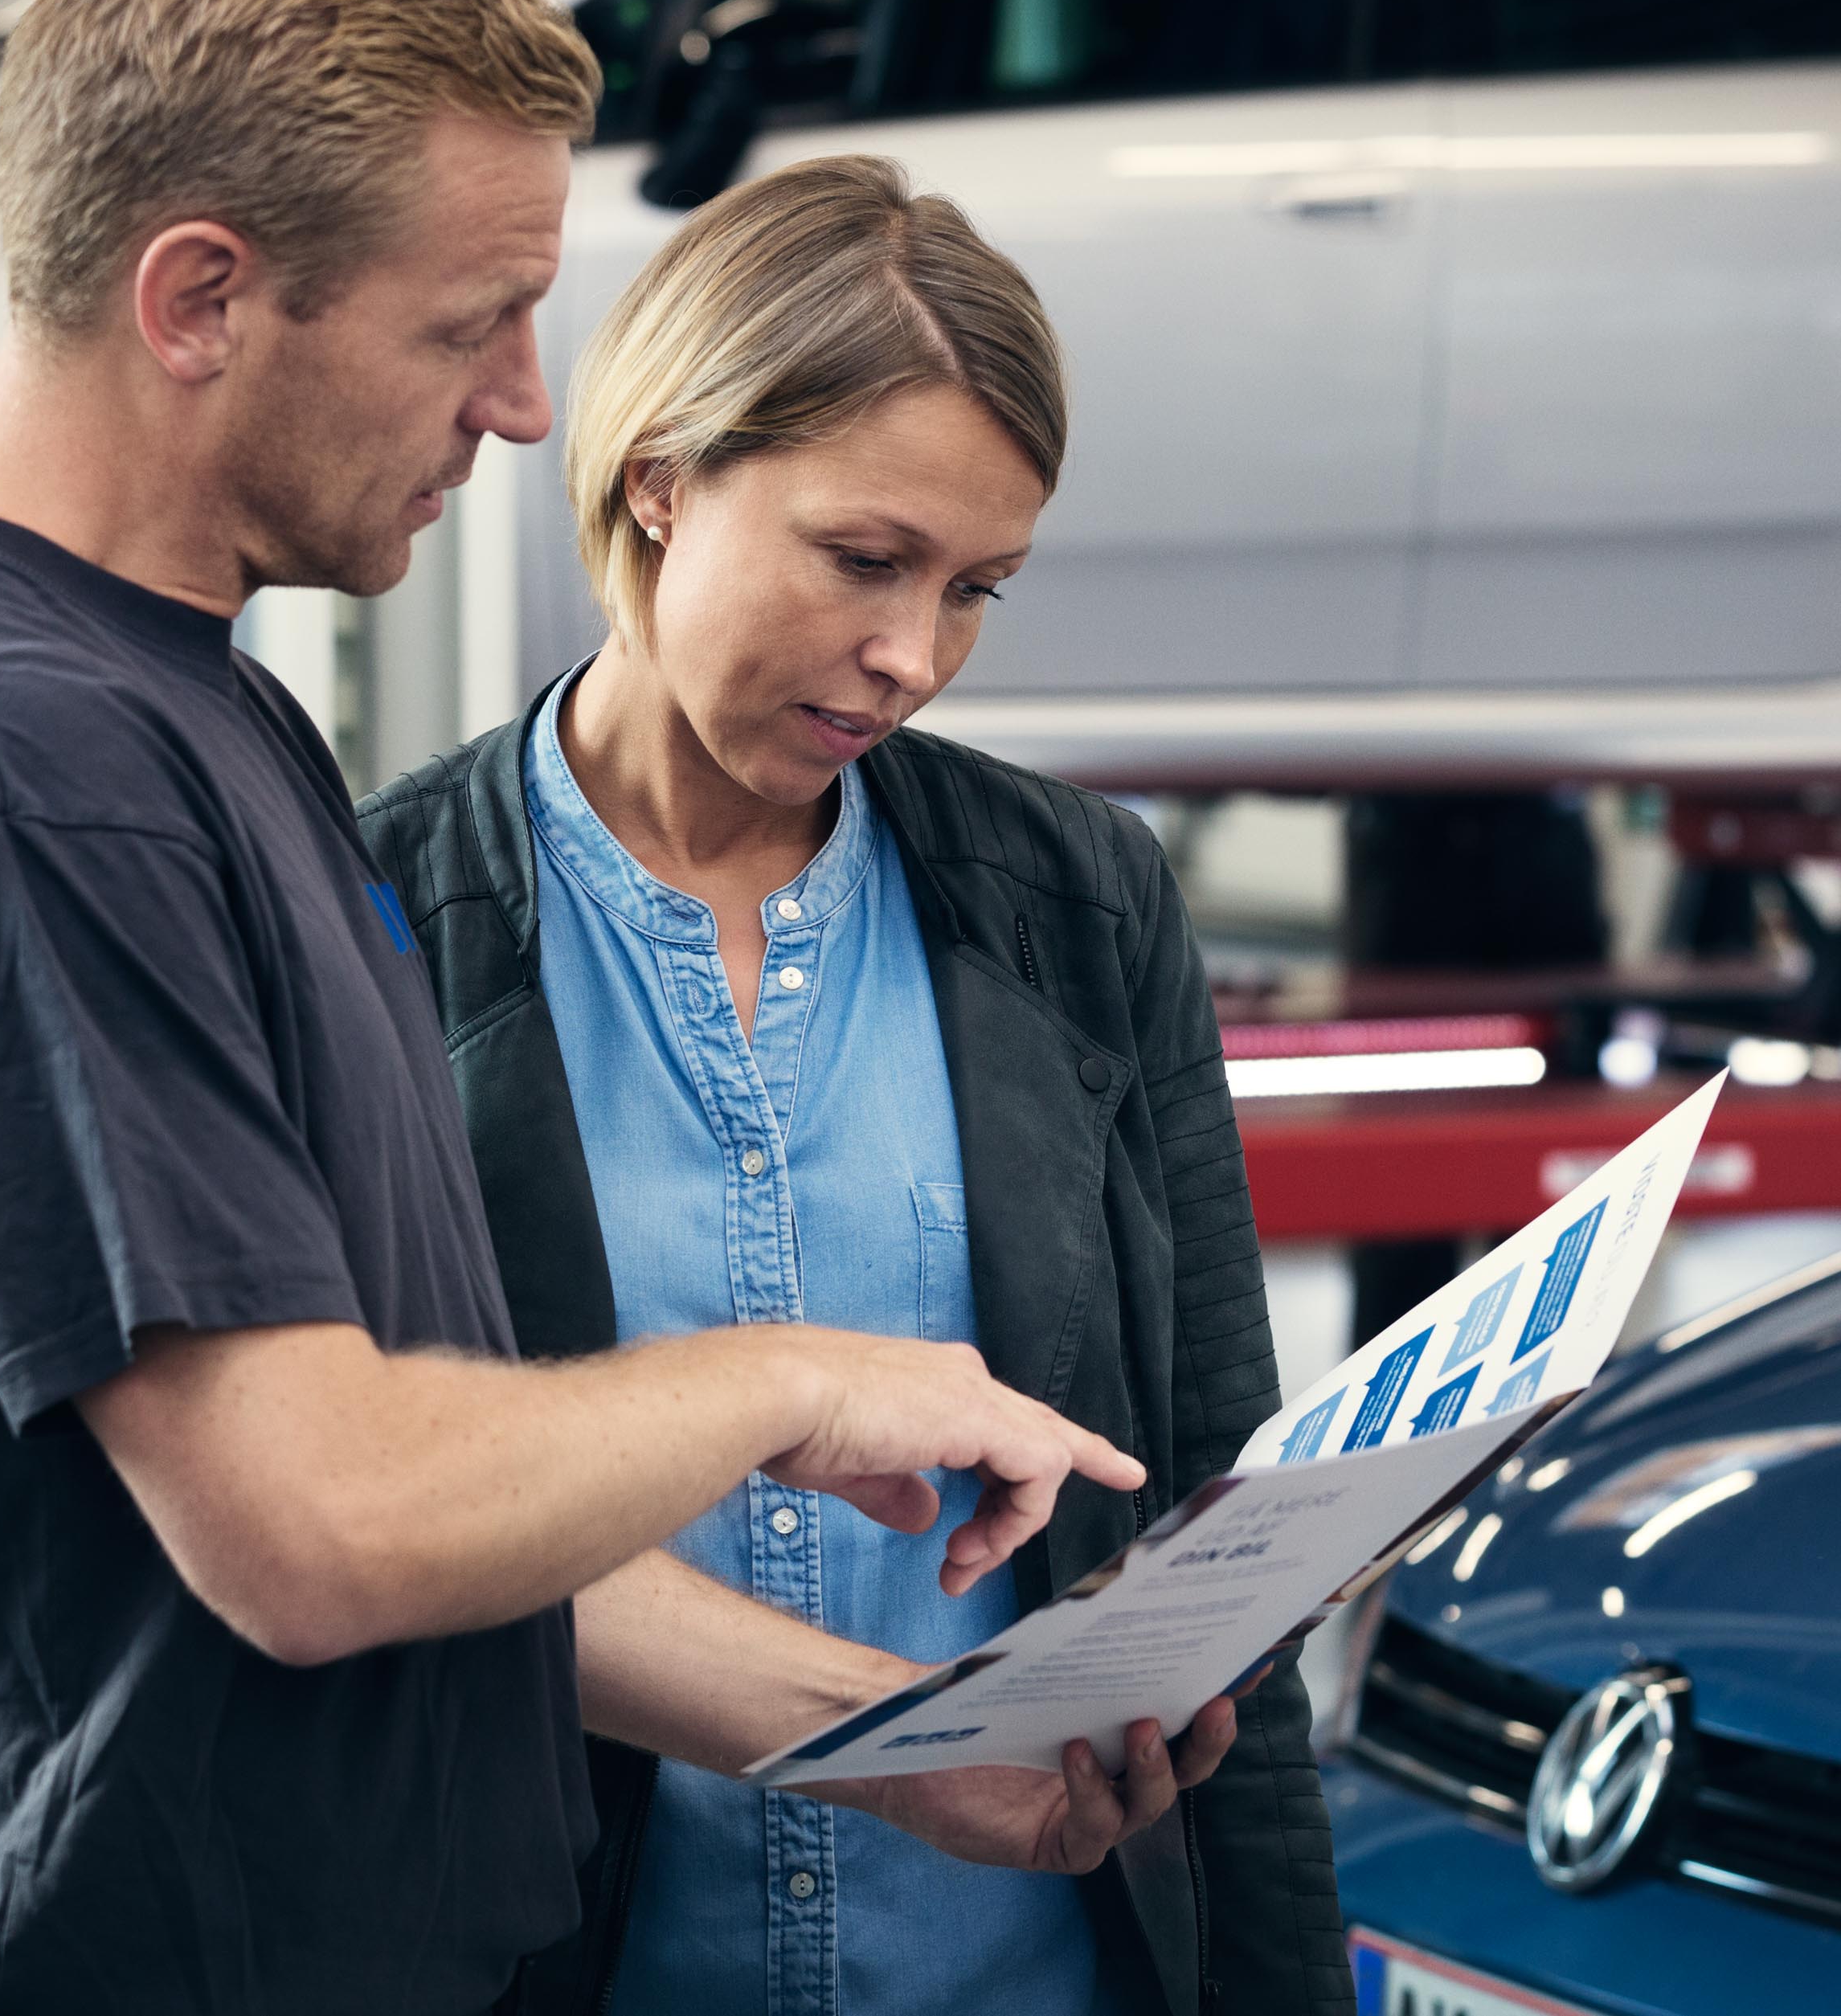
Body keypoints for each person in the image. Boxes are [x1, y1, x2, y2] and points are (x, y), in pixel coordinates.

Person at [0, 0, 1233, 2016]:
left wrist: (890, 1753)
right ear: (198, 297)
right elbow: (324, 1529)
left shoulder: (183, 720)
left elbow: (425, 1519)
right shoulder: (26, 774)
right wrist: (785, 1376)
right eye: (466, 320)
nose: (519, 405)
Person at [357, 156, 1351, 2016]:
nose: (916, 655)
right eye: (865, 557)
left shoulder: (1081, 903)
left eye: (976, 586)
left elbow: (1222, 1519)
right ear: (658, 475)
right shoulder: (382, 920)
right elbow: (366, 1534)